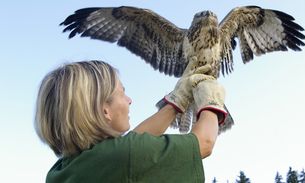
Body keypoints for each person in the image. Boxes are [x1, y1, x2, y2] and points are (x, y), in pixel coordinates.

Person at [35, 60, 227, 183]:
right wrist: (211, 100)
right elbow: (204, 143)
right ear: (104, 110)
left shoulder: (61, 171)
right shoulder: (124, 156)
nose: (129, 100)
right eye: (122, 92)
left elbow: (135, 142)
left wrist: (177, 101)